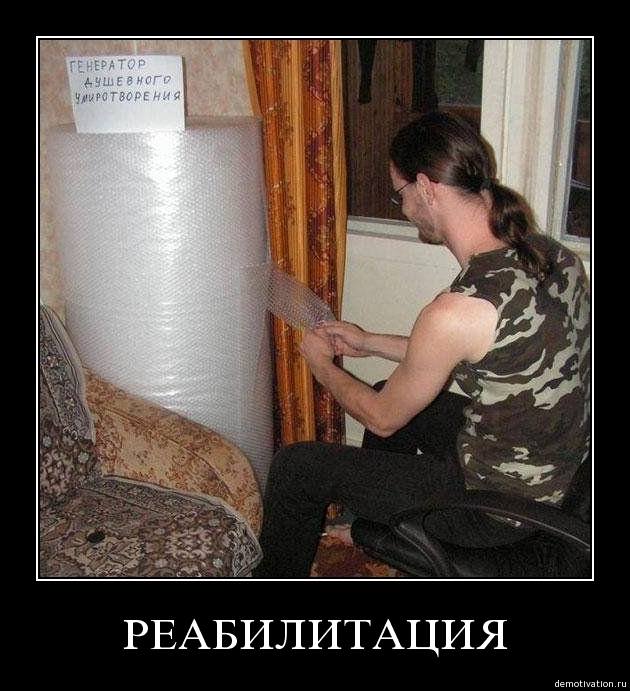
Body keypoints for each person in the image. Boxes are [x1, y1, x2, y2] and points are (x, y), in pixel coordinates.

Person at [253, 111, 591, 578]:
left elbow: (382, 418)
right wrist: (368, 342)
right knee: (394, 388)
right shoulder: (551, 255)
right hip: (554, 470)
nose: (403, 208)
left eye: (401, 195)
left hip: (496, 510)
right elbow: (475, 347)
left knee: (297, 467)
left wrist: (321, 365)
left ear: (427, 188)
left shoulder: (459, 308)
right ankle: (375, 520)